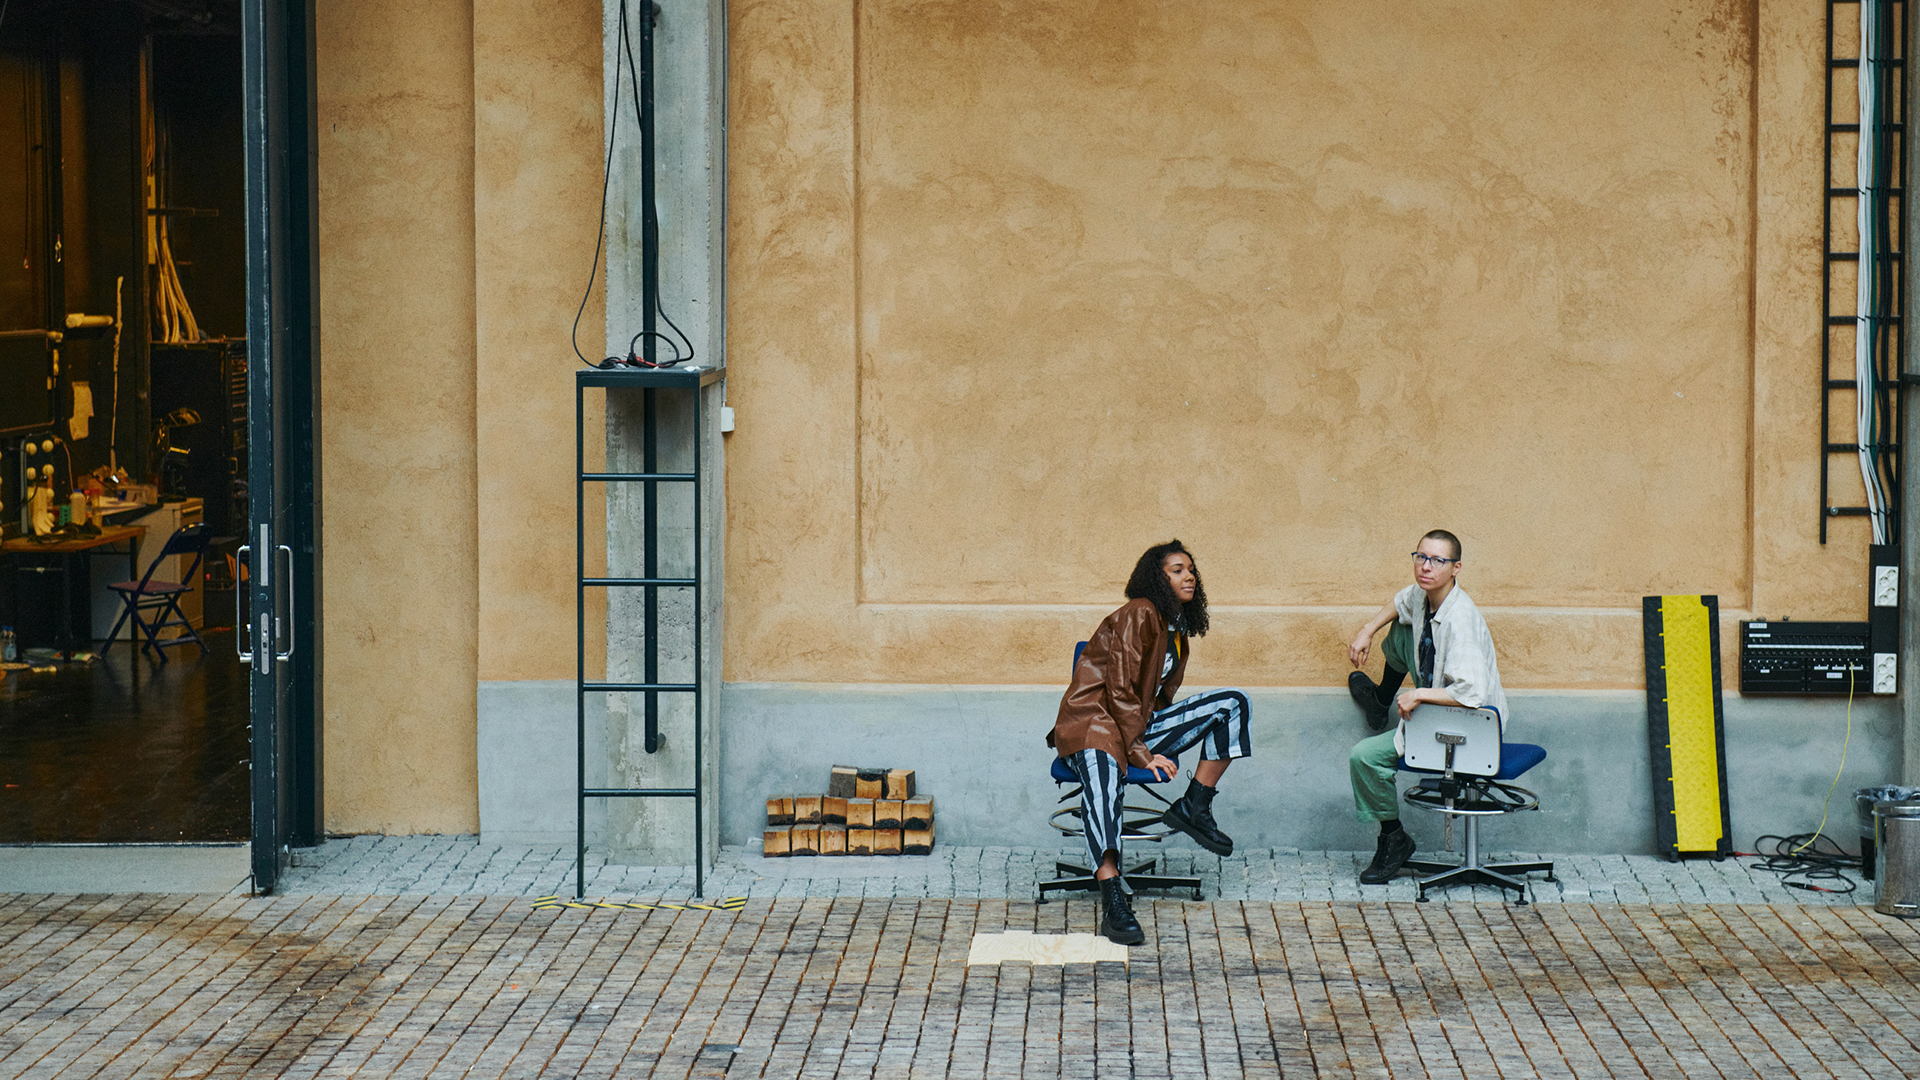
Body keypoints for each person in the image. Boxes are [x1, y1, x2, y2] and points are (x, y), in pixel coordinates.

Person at [1048, 540, 1253, 945]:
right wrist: (1143, 751)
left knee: (1231, 704)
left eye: (1190, 569)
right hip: (1093, 723)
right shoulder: (1139, 612)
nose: (1189, 575)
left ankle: (1195, 805)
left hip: (1133, 723)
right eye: (1177, 570)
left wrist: (1151, 739)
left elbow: (1154, 699)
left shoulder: (1176, 629)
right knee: (1104, 776)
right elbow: (1121, 690)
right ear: (1157, 578)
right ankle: (1111, 894)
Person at [1344, 529, 1507, 885]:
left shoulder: (1459, 619)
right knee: (1401, 630)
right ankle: (1380, 701)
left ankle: (1393, 839)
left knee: (1365, 757)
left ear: (1456, 568)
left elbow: (1471, 693)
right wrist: (1367, 630)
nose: (1426, 566)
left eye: (1437, 560)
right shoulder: (1424, 596)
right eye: (1420, 557)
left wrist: (1417, 695)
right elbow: (1400, 602)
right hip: (1442, 711)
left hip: (1467, 727)